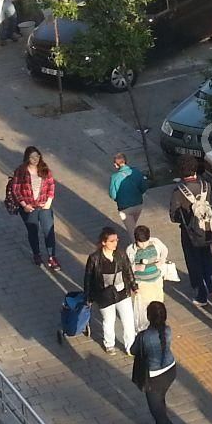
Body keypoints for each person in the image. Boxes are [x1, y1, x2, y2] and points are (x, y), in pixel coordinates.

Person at [128, 300, 186, 424]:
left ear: (149, 317)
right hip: (170, 371)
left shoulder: (144, 336)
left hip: (153, 377)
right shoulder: (168, 330)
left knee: (157, 412)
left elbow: (133, 350)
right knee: (160, 400)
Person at [169, 164, 212, 303]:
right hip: (207, 230)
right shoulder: (206, 185)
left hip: (190, 232)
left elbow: (173, 216)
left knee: (194, 262)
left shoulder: (179, 191)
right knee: (208, 258)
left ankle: (201, 295)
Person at [83, 227, 136, 355]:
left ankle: (130, 347)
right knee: (109, 320)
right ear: (103, 242)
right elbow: (88, 278)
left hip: (122, 292)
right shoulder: (95, 258)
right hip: (104, 295)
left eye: (116, 240)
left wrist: (134, 285)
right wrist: (89, 297)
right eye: (112, 241)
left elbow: (128, 270)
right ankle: (109, 344)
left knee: (128, 320)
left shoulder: (121, 254)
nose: (115, 243)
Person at [6, 146, 59, 269]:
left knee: (48, 232)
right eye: (32, 157)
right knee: (33, 232)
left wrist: (49, 201)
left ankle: (52, 257)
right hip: (29, 208)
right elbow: (16, 189)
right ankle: (37, 254)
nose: (35, 159)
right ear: (27, 158)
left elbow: (51, 185)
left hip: (44, 207)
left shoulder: (45, 169)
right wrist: (24, 205)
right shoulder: (21, 171)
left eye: (37, 156)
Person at [130, 223, 169, 315]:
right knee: (145, 307)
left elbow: (164, 250)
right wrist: (136, 267)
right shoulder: (131, 250)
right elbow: (127, 266)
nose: (143, 245)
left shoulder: (155, 242)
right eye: (140, 242)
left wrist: (161, 260)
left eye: (145, 242)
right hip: (142, 283)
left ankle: (159, 320)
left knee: (159, 303)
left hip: (157, 280)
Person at [109, 151, 146, 238]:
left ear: (116, 164)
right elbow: (144, 187)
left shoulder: (115, 177)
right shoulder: (136, 172)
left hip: (125, 208)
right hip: (138, 205)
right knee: (132, 226)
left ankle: (137, 248)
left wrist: (120, 199)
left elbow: (113, 195)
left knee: (133, 234)